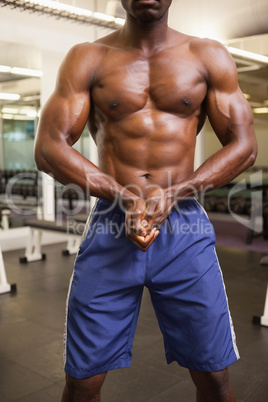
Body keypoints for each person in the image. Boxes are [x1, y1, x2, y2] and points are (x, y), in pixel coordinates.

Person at [34, 0, 258, 401]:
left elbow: (244, 146)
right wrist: (122, 196)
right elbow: (49, 146)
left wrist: (175, 193)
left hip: (184, 226)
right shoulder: (88, 58)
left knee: (214, 376)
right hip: (110, 222)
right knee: (82, 381)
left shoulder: (207, 56)